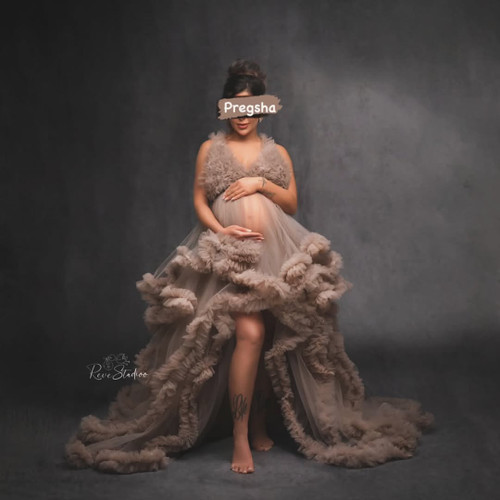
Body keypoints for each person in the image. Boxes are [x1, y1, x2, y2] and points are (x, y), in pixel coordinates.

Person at [64, 59, 434, 475]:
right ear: (225, 108)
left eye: (251, 107)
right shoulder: (211, 149)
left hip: (274, 253)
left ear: (263, 108)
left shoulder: (277, 152)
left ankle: (257, 422)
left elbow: (291, 203)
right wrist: (223, 230)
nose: (243, 116)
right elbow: (200, 201)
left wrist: (260, 183)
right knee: (250, 333)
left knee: (269, 335)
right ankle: (240, 435)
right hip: (229, 254)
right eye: (235, 107)